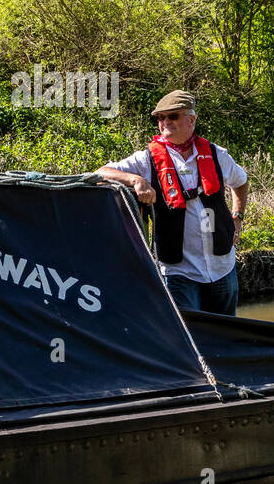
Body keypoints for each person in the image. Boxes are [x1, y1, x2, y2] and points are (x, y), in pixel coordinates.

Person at [96, 90, 249, 315]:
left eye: (172, 116)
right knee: (188, 338)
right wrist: (135, 179)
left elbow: (241, 182)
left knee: (227, 336)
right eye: (160, 118)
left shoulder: (217, 155)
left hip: (222, 267)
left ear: (191, 120)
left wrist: (238, 216)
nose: (165, 122)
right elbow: (100, 173)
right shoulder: (146, 159)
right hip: (180, 273)